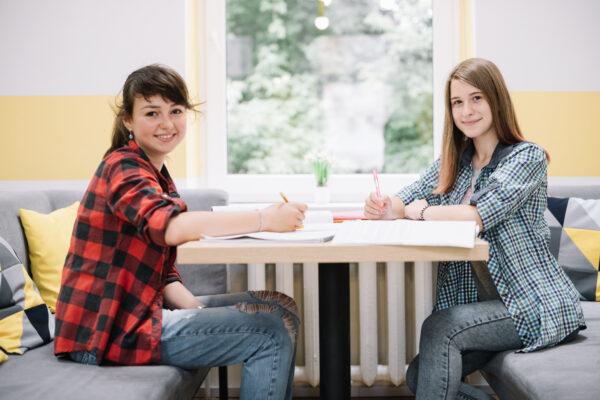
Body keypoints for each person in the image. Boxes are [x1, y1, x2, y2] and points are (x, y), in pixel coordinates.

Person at [54, 64, 306, 400]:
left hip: (139, 311)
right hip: (108, 331)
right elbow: (170, 228)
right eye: (152, 113)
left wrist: (204, 316)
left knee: (279, 306)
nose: (167, 124)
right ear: (127, 120)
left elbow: (164, 274)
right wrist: (263, 219)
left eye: (175, 111)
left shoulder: (156, 174)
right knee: (270, 331)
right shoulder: (122, 167)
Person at [363, 58, 585, 399]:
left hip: (531, 303)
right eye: (457, 102)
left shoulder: (526, 158)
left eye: (476, 98)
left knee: (441, 328)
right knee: (419, 376)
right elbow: (406, 198)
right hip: (488, 308)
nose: (466, 110)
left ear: (496, 100)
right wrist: (382, 206)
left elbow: (479, 214)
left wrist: (423, 212)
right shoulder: (455, 162)